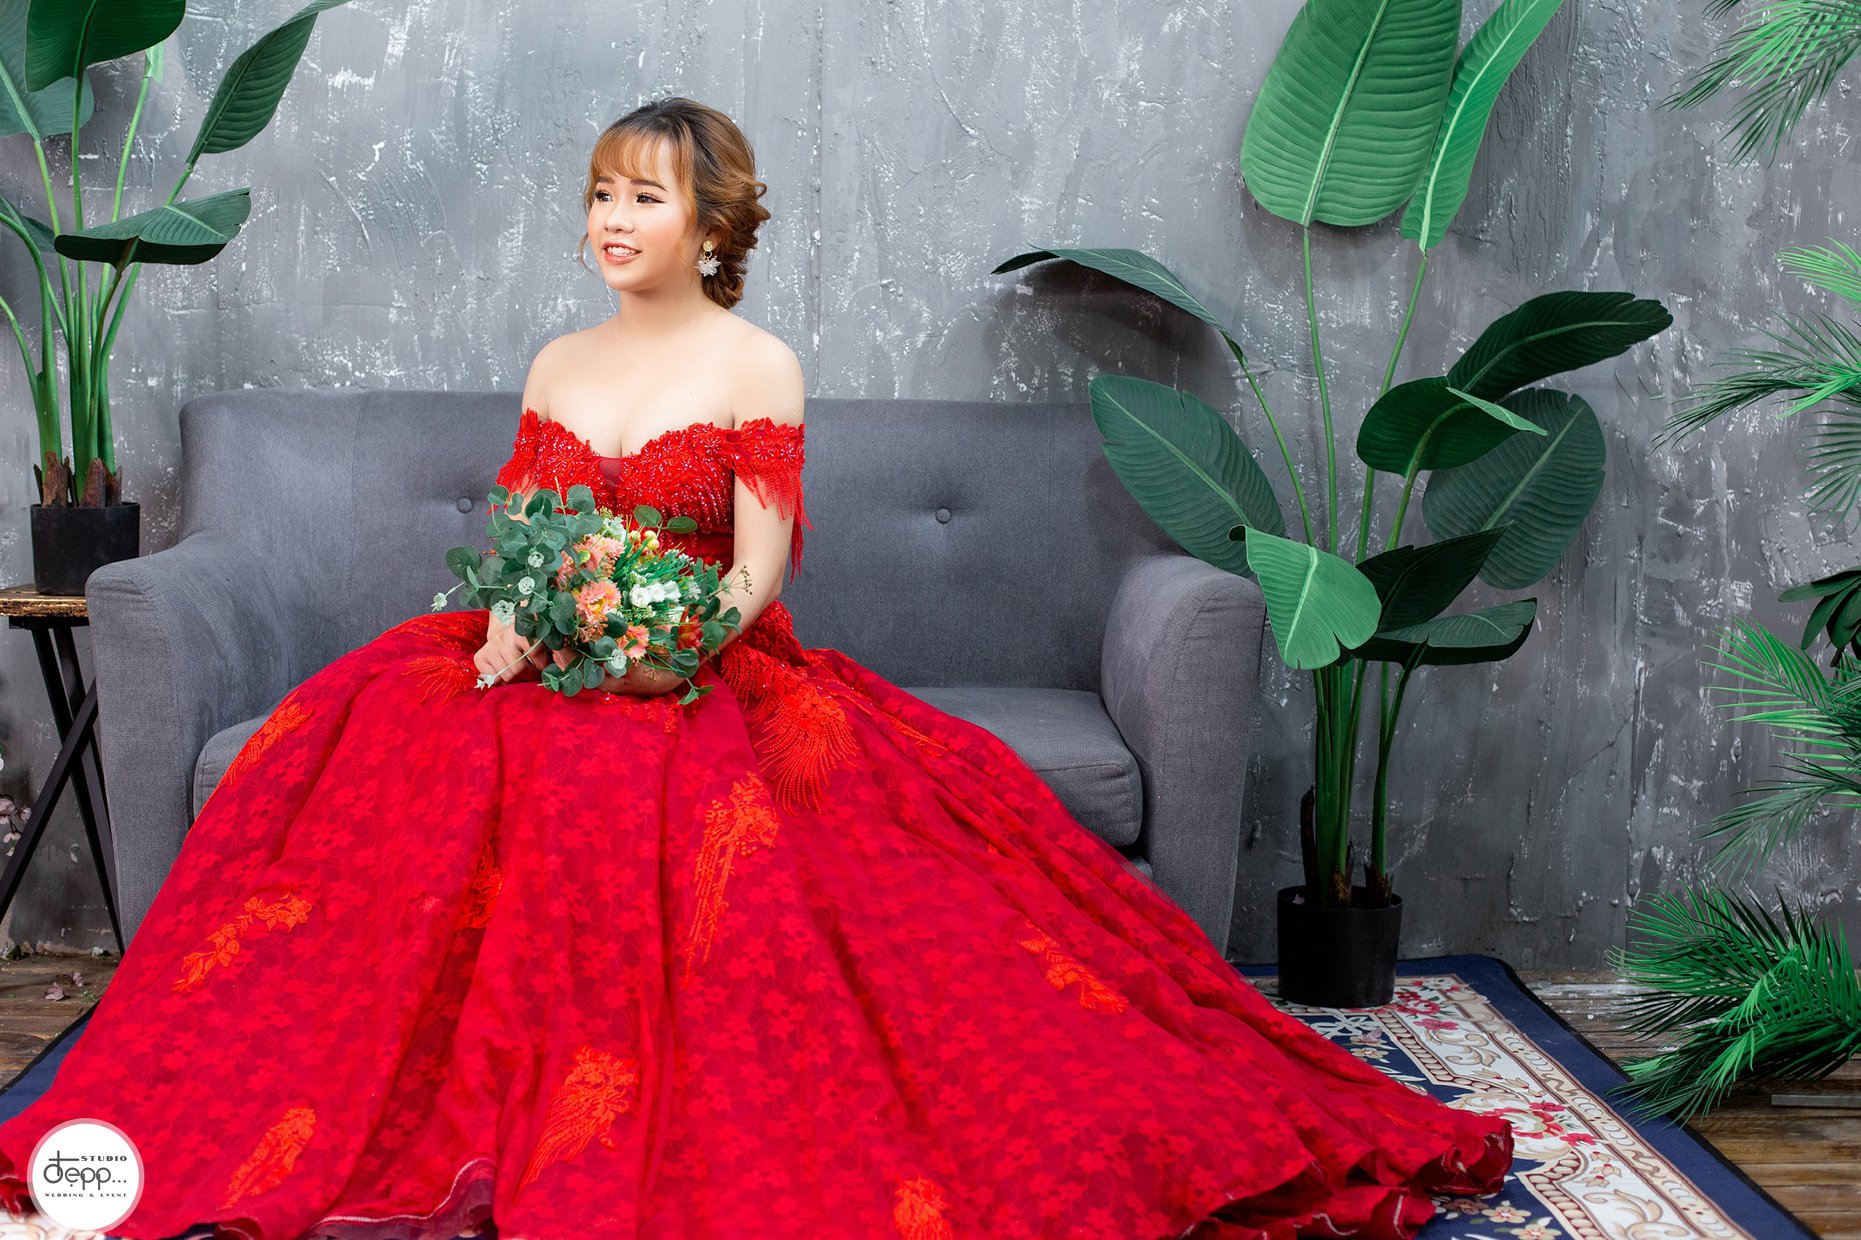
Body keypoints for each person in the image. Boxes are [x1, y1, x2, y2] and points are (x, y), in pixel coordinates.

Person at [0, 97, 1512, 1240]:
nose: (611, 219)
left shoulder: (754, 364)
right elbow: (524, 537)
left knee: (695, 812)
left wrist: (662, 651)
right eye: (600, 194)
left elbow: (756, 570)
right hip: (546, 649)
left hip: (706, 662)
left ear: (708, 223)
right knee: (404, 751)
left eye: (642, 197)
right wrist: (522, 635)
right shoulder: (558, 363)